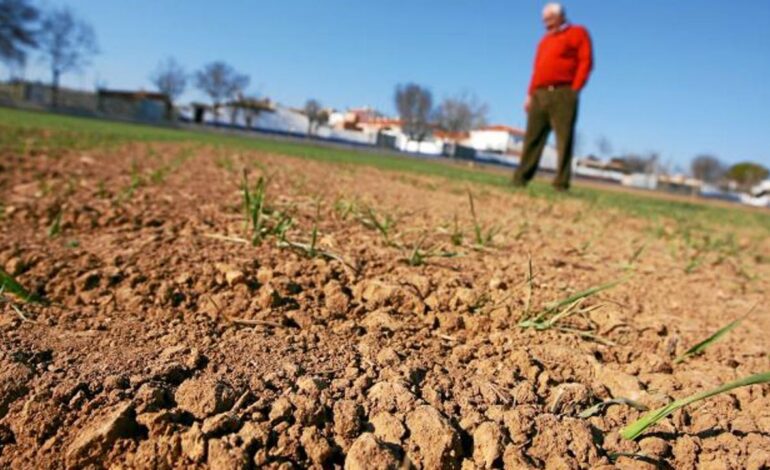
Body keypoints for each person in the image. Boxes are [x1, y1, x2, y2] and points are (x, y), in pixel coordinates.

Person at [512, 3, 593, 191]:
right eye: (544, 20)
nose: (546, 23)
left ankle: (561, 183)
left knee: (563, 139)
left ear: (560, 16)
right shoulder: (544, 41)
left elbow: (586, 61)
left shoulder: (577, 33)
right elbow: (536, 70)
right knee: (532, 137)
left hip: (563, 92)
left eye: (549, 19)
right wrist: (529, 94)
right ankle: (520, 178)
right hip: (539, 93)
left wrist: (575, 89)